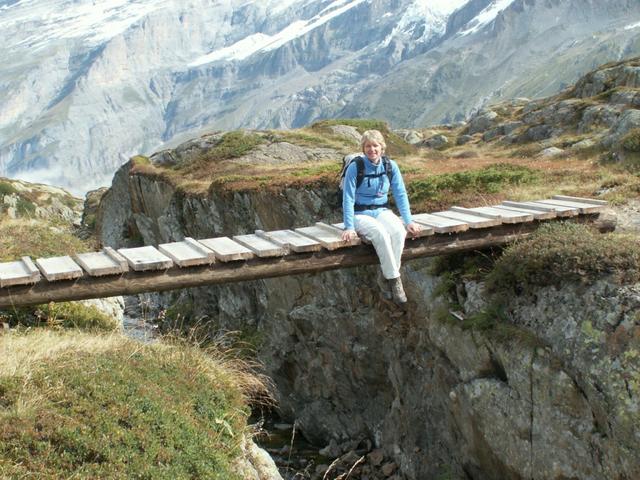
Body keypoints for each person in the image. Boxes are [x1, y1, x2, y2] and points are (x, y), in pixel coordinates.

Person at [341, 130, 422, 304]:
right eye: (368, 146)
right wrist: (349, 227)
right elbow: (347, 197)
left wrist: (408, 221)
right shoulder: (356, 167)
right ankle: (395, 281)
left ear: (382, 147)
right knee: (380, 234)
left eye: (375, 145)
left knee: (399, 232)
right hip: (359, 214)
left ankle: (385, 278)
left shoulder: (390, 166)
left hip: (381, 210)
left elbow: (400, 194)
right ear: (363, 148)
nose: (372, 149)